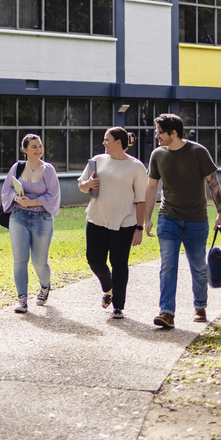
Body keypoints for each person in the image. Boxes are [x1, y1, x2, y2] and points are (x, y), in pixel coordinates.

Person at [143, 113, 221, 330]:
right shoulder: (157, 155)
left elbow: (213, 183)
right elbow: (152, 187)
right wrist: (147, 218)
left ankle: (200, 306)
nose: (157, 136)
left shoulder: (198, 152)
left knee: (198, 266)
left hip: (196, 219)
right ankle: (167, 313)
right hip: (168, 216)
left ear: (173, 133)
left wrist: (220, 214)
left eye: (160, 132)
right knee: (168, 264)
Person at [78, 127, 147, 320]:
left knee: (119, 264)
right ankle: (108, 288)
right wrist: (87, 185)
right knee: (94, 259)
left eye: (107, 140)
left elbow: (141, 199)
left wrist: (139, 228)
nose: (103, 143)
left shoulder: (136, 167)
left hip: (124, 223)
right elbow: (81, 184)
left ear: (118, 142)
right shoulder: (98, 160)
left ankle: (118, 305)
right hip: (96, 219)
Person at [1, 133, 61, 314]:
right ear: (25, 150)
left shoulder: (48, 169)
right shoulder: (17, 167)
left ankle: (45, 286)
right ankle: (22, 299)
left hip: (42, 219)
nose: (38, 149)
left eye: (40, 146)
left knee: (39, 262)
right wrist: (17, 200)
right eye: (34, 146)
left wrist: (33, 202)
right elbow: (6, 190)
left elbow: (54, 196)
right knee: (20, 260)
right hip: (18, 216)